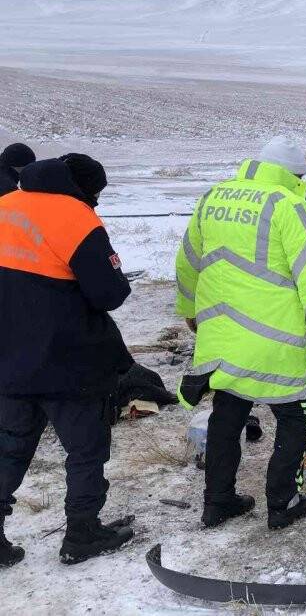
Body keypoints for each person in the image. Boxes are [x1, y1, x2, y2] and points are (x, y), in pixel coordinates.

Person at [175, 135, 306, 531]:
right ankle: (283, 504)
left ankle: (217, 503)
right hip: (276, 345)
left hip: (225, 341)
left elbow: (187, 261)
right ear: (294, 175)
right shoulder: (290, 204)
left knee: (227, 419)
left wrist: (189, 311)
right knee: (294, 419)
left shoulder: (215, 196)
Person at [0, 154, 134, 567]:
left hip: (8, 360)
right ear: (86, 190)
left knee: (8, 448)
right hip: (68, 362)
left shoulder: (5, 204)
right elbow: (109, 294)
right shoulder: (77, 218)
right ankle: (82, 533)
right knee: (86, 449)